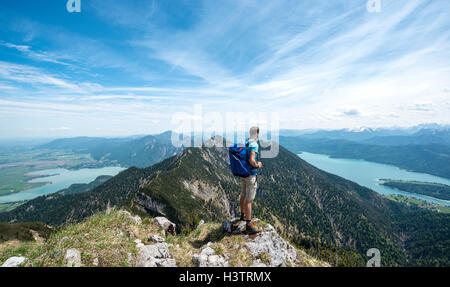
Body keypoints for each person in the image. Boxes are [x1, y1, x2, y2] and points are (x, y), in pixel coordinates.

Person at [239, 126, 263, 234]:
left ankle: (242, 215)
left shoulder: (246, 142)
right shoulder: (254, 145)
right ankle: (249, 225)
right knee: (249, 200)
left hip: (243, 173)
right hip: (250, 175)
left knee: (243, 195)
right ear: (257, 134)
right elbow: (252, 160)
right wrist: (257, 165)